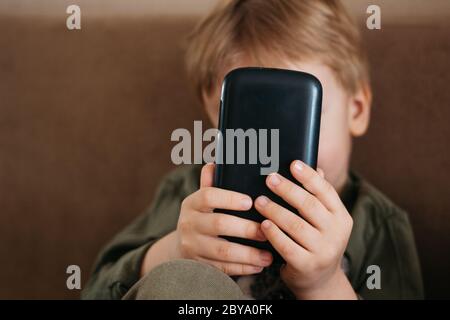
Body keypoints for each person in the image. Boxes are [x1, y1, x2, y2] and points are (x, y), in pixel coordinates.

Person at [82, 0, 423, 300]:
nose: (271, 147)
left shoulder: (379, 224)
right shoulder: (190, 194)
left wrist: (325, 284)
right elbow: (96, 291)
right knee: (184, 280)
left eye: (299, 118)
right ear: (214, 115)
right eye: (248, 118)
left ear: (357, 109)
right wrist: (172, 250)